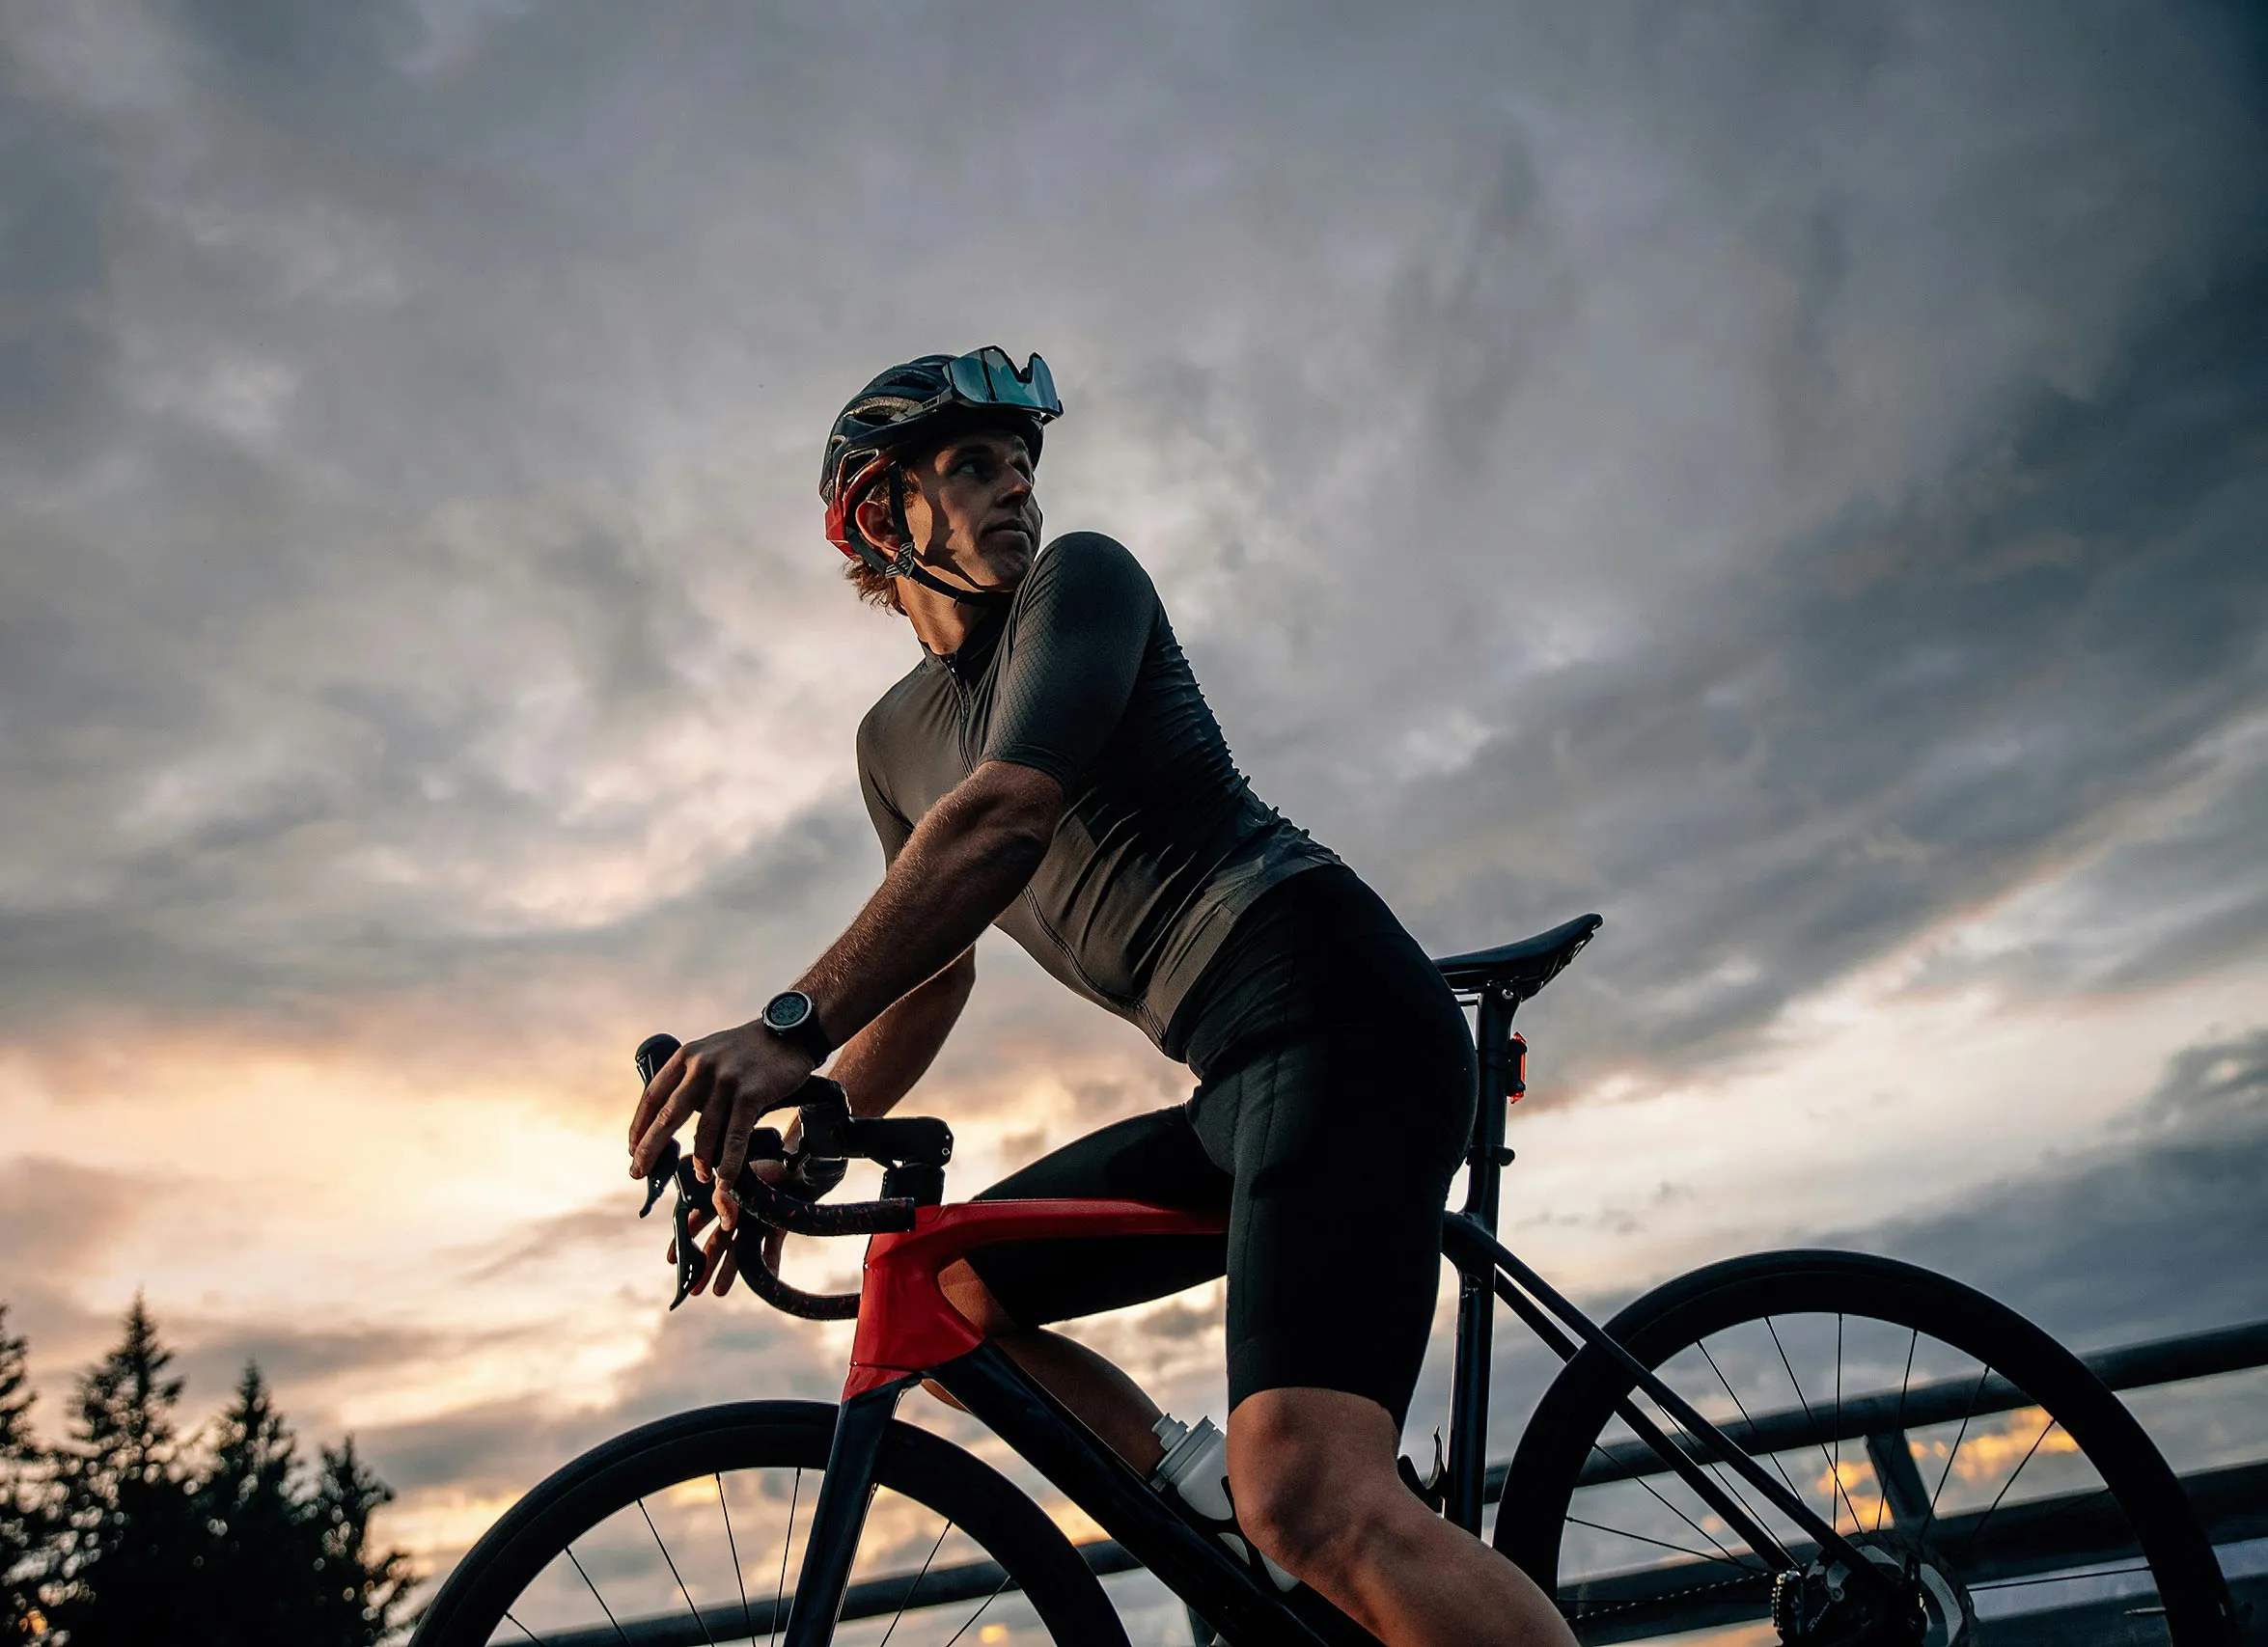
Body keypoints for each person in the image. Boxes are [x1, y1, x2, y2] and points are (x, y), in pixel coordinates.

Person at [626, 348, 1576, 1647]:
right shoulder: (890, 740)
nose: (1014, 486)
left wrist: (787, 1028)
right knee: (948, 1292)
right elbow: (935, 971)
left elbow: (1004, 820)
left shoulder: (1083, 581)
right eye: (969, 466)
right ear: (874, 514)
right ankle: (1206, 1502)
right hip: (1239, 1071)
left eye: (1019, 462)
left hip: (1335, 1013)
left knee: (1314, 1495)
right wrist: (802, 1132)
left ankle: (1289, 1517)